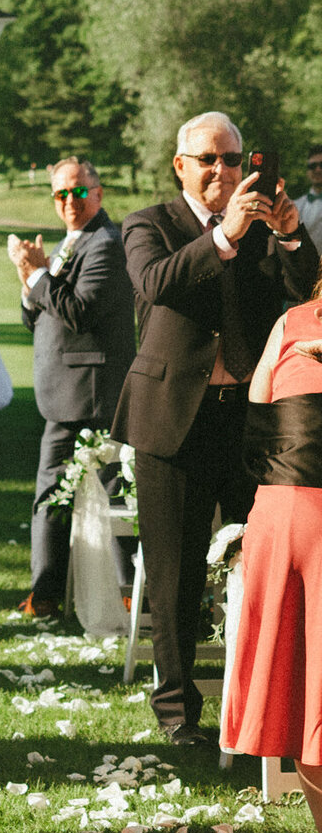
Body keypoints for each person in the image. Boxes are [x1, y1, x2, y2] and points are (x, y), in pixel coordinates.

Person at [113, 112, 319, 745]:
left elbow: (306, 287)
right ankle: (178, 716)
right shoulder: (149, 224)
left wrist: (287, 234)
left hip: (251, 424)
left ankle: (263, 703)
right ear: (180, 165)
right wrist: (225, 235)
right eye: (208, 159)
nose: (223, 171)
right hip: (173, 420)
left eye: (233, 160)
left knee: (263, 565)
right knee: (174, 576)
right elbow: (156, 284)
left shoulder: (259, 228)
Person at [8, 157, 134, 617]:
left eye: (78, 192)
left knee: (120, 495)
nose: (69, 202)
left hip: (95, 391)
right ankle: (45, 598)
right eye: (61, 193)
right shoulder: (68, 244)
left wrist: (39, 275)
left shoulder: (106, 244)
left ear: (98, 194)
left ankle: (133, 596)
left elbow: (80, 311)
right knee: (52, 496)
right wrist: (30, 283)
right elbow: (37, 314)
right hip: (65, 394)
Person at [222, 280, 322, 833]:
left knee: (310, 697)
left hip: (281, 516)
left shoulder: (291, 326)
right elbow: (259, 425)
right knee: (309, 697)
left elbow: (256, 426)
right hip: (285, 517)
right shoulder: (289, 325)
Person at [291, 145, 322, 256]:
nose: (318, 169)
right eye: (313, 166)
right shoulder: (295, 207)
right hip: (305, 270)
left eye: (321, 165)